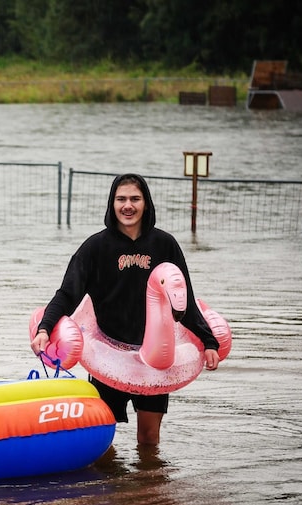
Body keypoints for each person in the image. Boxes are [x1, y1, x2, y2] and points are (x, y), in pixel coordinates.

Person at [30, 173, 220, 445]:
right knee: (102, 440)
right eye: (121, 199)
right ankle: (114, 488)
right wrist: (45, 328)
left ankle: (147, 488)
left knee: (149, 439)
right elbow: (67, 294)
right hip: (109, 355)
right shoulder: (95, 247)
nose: (127, 206)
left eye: (135, 199)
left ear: (146, 203)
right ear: (112, 203)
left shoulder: (164, 244)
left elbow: (184, 300)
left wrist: (209, 341)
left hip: (154, 358)